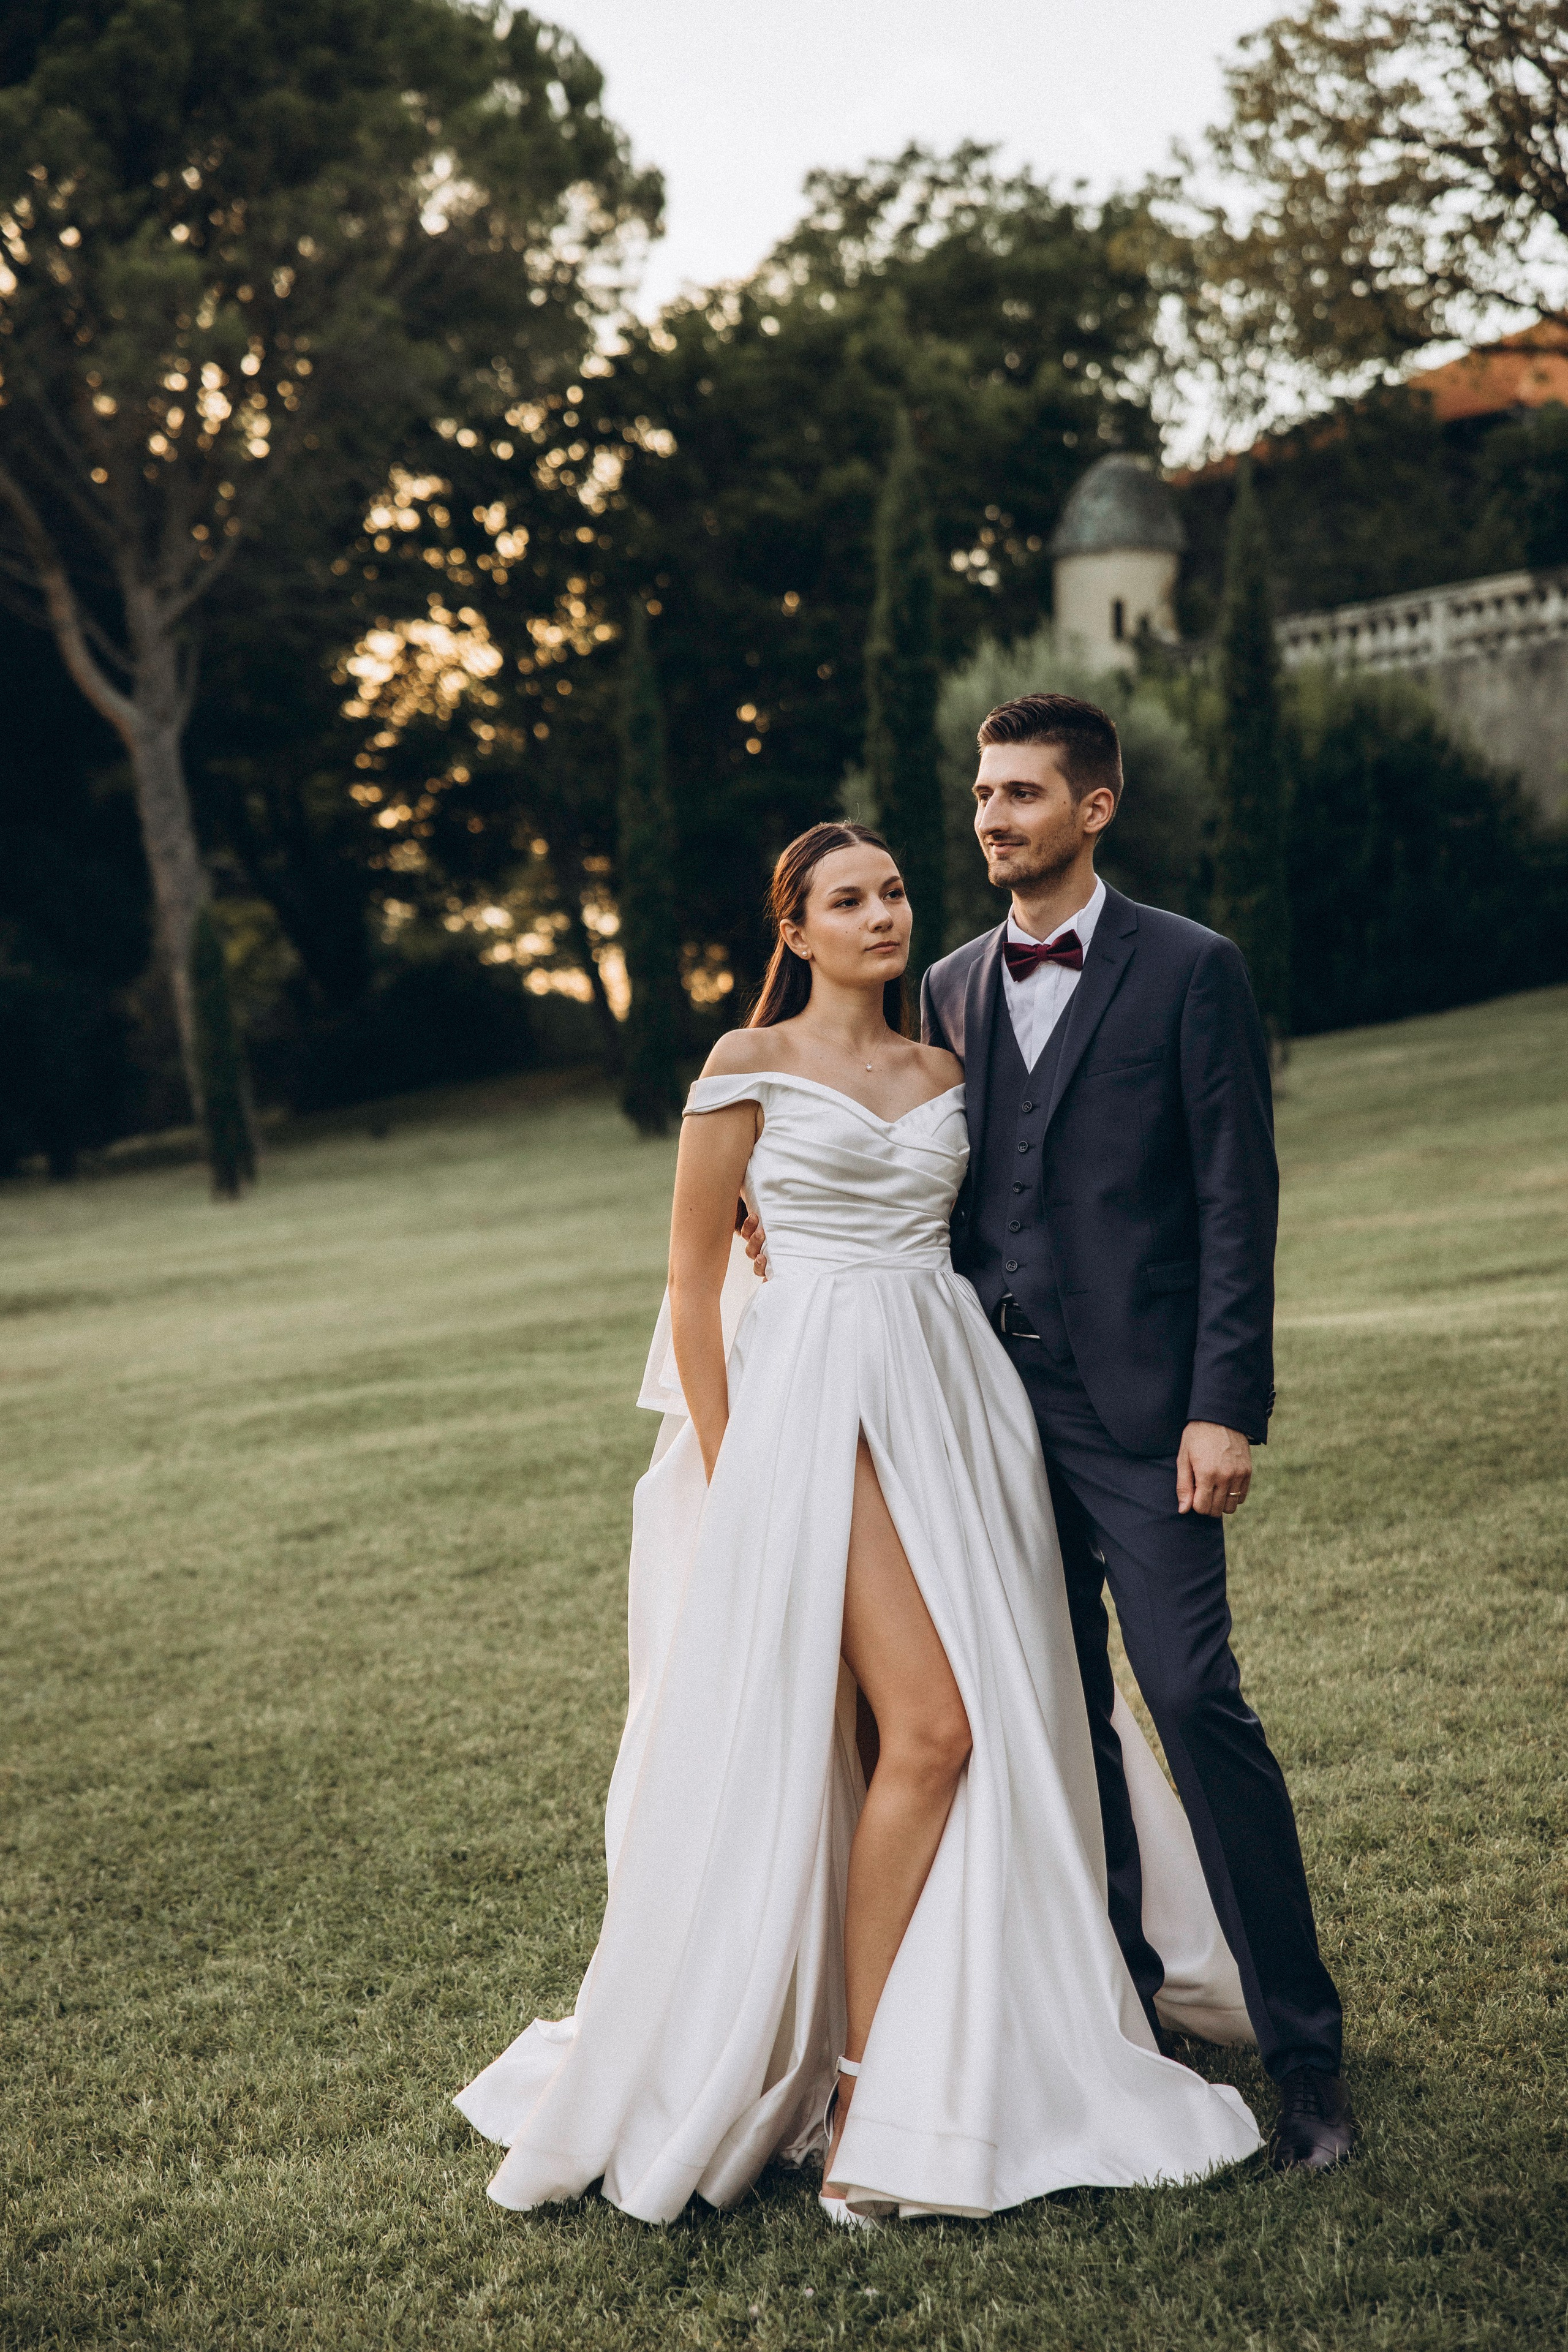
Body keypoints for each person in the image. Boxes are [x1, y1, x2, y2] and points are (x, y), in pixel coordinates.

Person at [454, 820, 1261, 2227]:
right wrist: (737, 1467)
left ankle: (942, 2036)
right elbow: (693, 1288)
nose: (881, 914)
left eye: (892, 891)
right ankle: (854, 2084)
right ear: (797, 928)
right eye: (848, 898)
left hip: (956, 1408)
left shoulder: (947, 1063)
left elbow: (1006, 1220)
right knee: (931, 1727)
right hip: (807, 1418)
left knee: (968, 1731)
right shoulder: (740, 1069)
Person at [917, 692, 1351, 2173]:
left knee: (1189, 1699)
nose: (991, 818)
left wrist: (1223, 1402)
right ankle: (1119, 2022)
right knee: (1054, 1719)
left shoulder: (1191, 970)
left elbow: (1238, 1196)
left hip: (1149, 1418)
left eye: (1021, 795)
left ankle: (1308, 2061)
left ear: (1093, 808)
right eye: (982, 794)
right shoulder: (949, 983)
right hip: (988, 1415)